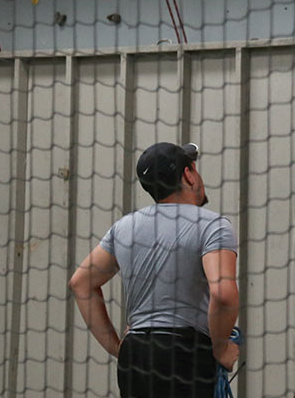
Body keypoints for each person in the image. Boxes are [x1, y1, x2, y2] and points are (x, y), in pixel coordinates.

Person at [68, 142, 240, 398]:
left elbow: (81, 283)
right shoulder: (213, 226)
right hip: (185, 356)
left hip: (136, 357)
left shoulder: (124, 228)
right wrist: (220, 348)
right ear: (188, 174)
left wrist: (118, 349)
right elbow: (224, 295)